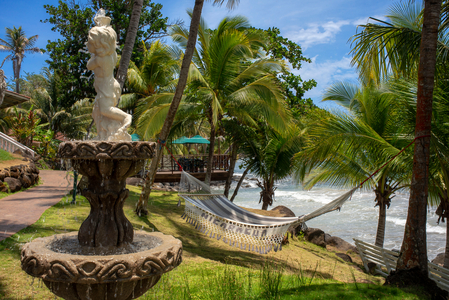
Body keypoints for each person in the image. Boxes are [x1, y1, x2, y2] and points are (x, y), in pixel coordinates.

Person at [87, 16, 131, 141]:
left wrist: (92, 55)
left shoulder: (100, 59)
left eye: (90, 42)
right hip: (110, 84)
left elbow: (89, 66)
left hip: (106, 86)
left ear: (99, 44)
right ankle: (103, 134)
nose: (87, 45)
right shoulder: (111, 54)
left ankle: (126, 117)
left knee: (105, 110)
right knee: (97, 112)